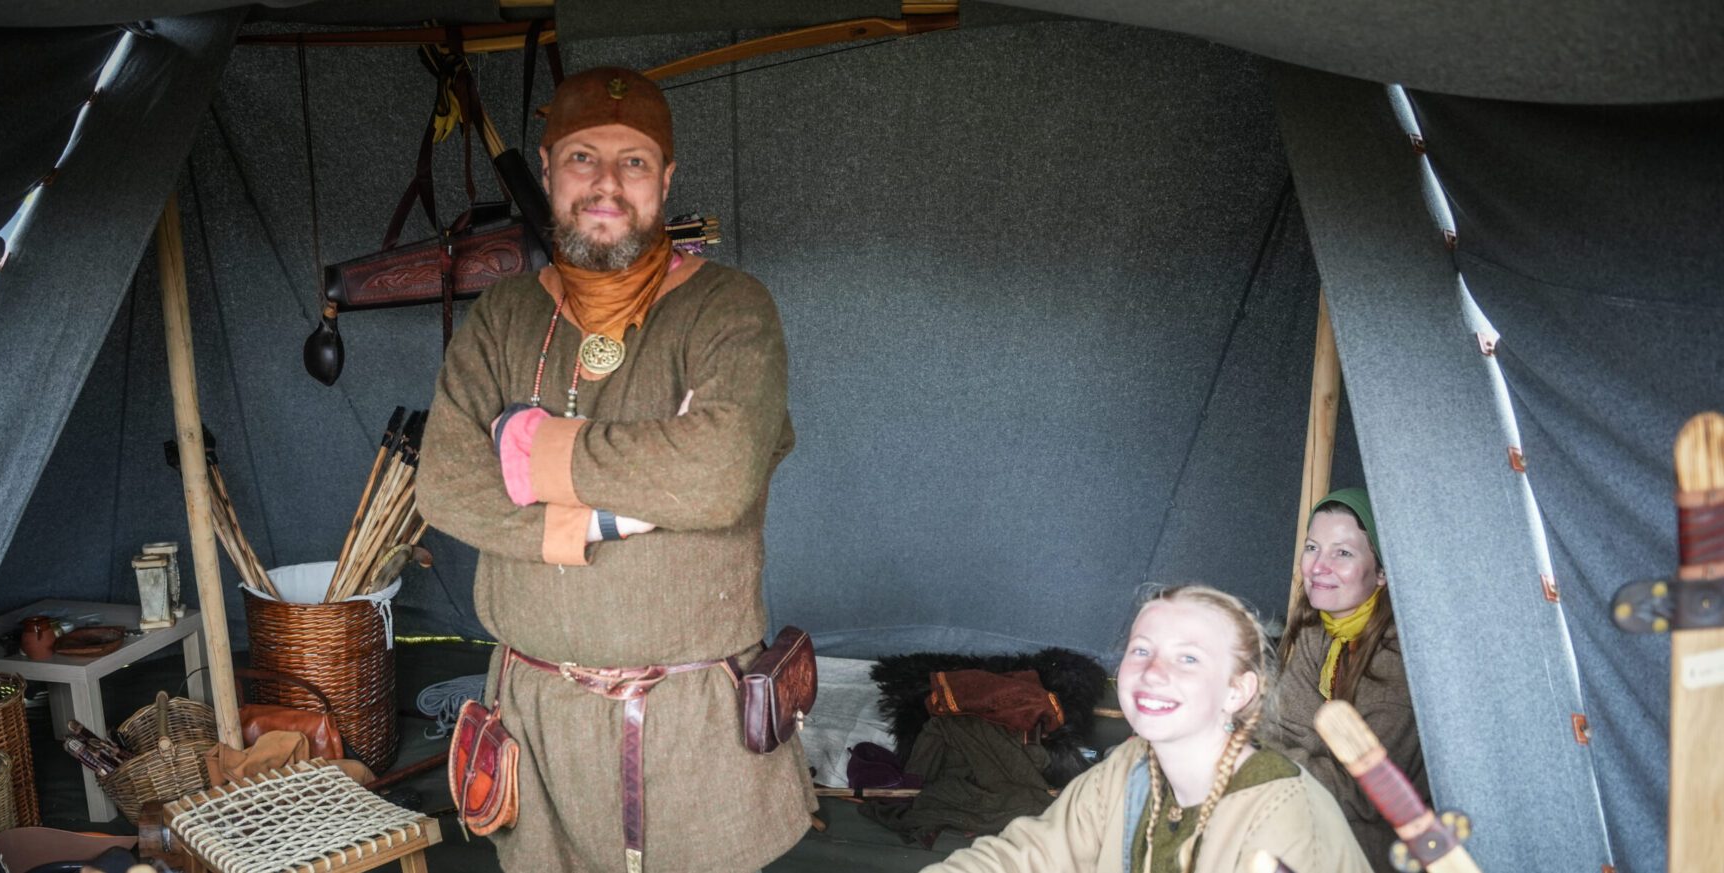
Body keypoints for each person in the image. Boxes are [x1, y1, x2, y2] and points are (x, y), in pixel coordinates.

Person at [415, 66, 813, 873]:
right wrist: (601, 519)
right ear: (547, 168)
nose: (606, 183)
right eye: (582, 158)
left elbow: (717, 476)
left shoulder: (731, 307)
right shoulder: (503, 315)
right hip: (535, 718)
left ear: (665, 180)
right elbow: (447, 485)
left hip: (692, 723)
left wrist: (529, 451)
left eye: (632, 161)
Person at [921, 586, 1370, 873]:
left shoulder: (1286, 817)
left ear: (1236, 691)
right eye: (1141, 650)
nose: (1153, 672)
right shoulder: (1130, 769)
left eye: (1188, 658)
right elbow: (1028, 856)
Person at [1266, 487, 1428, 867]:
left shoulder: (1400, 655)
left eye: (1342, 553)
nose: (1318, 567)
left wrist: (1261, 760)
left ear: (1382, 572)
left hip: (1383, 849)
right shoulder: (1317, 630)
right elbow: (1281, 731)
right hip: (1309, 812)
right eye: (1312, 548)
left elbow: (1365, 791)